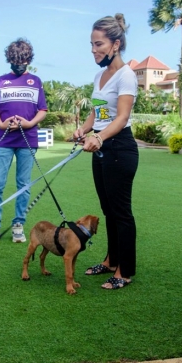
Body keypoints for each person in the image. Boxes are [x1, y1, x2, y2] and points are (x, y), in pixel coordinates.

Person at [73, 14, 138, 290]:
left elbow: (121, 118)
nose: (93, 50)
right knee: (108, 209)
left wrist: (98, 137)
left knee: (121, 211)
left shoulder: (127, 75)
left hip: (119, 147)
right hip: (102, 146)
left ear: (116, 44)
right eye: (91, 44)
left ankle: (125, 270)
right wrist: (83, 131)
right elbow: (97, 113)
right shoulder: (100, 75)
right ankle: (111, 261)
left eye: (98, 44)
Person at [0, 38, 48, 244]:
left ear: (28, 60)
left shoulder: (35, 81)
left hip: (27, 139)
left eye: (24, 61)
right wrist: (1, 124)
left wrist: (29, 123)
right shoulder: (1, 81)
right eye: (16, 61)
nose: (20, 64)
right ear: (10, 59)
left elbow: (42, 110)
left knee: (23, 185)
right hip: (4, 139)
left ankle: (18, 225)